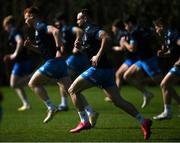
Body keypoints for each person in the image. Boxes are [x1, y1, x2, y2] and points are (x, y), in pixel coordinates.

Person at [68, 9, 152, 140]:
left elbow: (106, 37)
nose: (77, 21)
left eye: (79, 18)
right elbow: (91, 48)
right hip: (107, 71)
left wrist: (98, 56)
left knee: (72, 90)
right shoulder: (86, 32)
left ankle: (84, 121)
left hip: (98, 70)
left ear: (85, 18)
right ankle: (143, 121)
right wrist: (81, 47)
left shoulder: (92, 29)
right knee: (118, 101)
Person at [23, 7, 71, 123]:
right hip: (60, 62)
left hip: (52, 62)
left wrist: (58, 50)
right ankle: (89, 111)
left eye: (26, 18)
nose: (25, 21)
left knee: (32, 83)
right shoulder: (37, 29)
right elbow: (42, 51)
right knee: (71, 91)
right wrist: (31, 47)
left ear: (31, 16)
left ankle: (51, 107)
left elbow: (56, 31)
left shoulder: (40, 26)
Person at [122, 15, 162, 108]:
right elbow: (154, 34)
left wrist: (124, 43)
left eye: (125, 25)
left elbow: (132, 49)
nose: (125, 27)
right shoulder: (145, 28)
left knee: (163, 84)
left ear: (130, 24)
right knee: (126, 76)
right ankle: (146, 93)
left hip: (148, 60)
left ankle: (176, 104)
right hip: (142, 60)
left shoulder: (134, 33)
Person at [54, 12, 90, 111]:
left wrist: (76, 45)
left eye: (57, 21)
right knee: (67, 81)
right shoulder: (62, 30)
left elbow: (79, 31)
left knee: (61, 76)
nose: (56, 24)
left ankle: (65, 104)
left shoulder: (68, 28)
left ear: (62, 21)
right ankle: (67, 103)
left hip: (78, 57)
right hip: (76, 58)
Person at [3, 15, 33, 111]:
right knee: (15, 84)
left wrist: (14, 54)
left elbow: (20, 41)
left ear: (9, 24)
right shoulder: (14, 32)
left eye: (5, 26)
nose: (5, 29)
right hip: (20, 61)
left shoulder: (14, 31)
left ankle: (31, 77)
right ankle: (26, 104)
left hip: (22, 61)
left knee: (14, 84)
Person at [153, 18, 180, 120]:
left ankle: (167, 112)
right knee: (165, 84)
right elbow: (172, 52)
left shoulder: (172, 34)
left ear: (161, 26)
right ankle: (167, 112)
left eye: (156, 28)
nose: (156, 30)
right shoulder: (166, 36)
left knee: (164, 84)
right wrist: (164, 54)